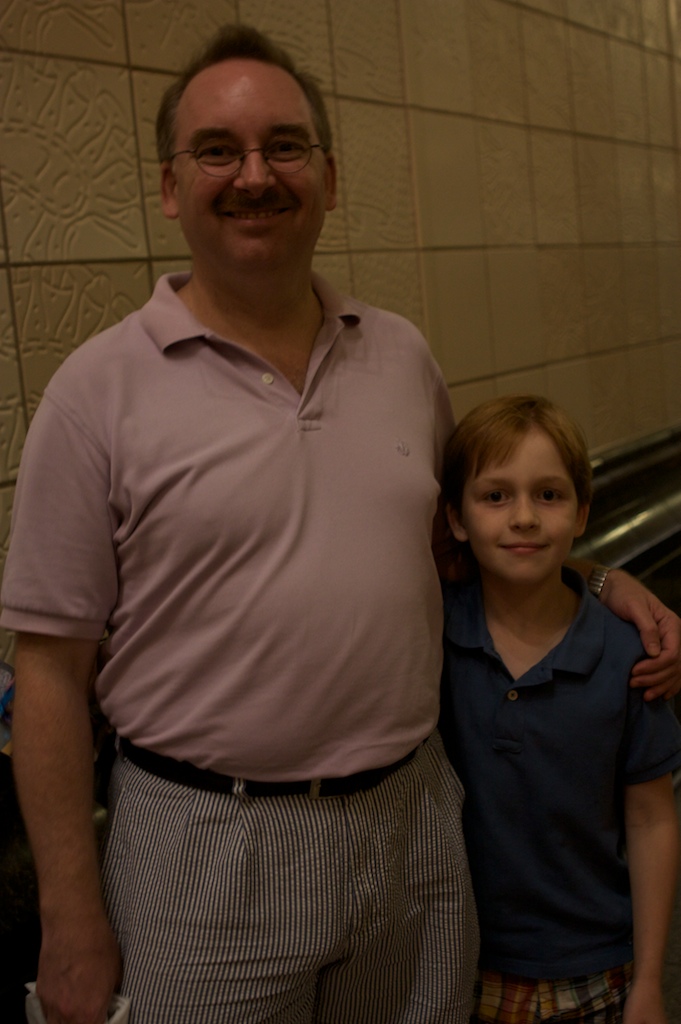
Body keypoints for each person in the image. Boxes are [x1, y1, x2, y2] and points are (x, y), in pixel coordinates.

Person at [0, 23, 679, 1024]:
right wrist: (68, 916)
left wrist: (603, 581)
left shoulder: (400, 357)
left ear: (329, 175)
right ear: (170, 186)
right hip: (202, 847)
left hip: (413, 825)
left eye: (284, 146)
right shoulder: (96, 392)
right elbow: (50, 672)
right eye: (218, 150)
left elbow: (461, 548)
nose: (254, 175)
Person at [438, 395, 681, 1024]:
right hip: (458, 966)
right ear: (456, 518)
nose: (523, 517)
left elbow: (652, 819)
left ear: (582, 514)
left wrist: (650, 982)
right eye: (496, 496)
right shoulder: (430, 637)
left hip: (597, 970)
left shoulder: (626, 654)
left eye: (548, 495)